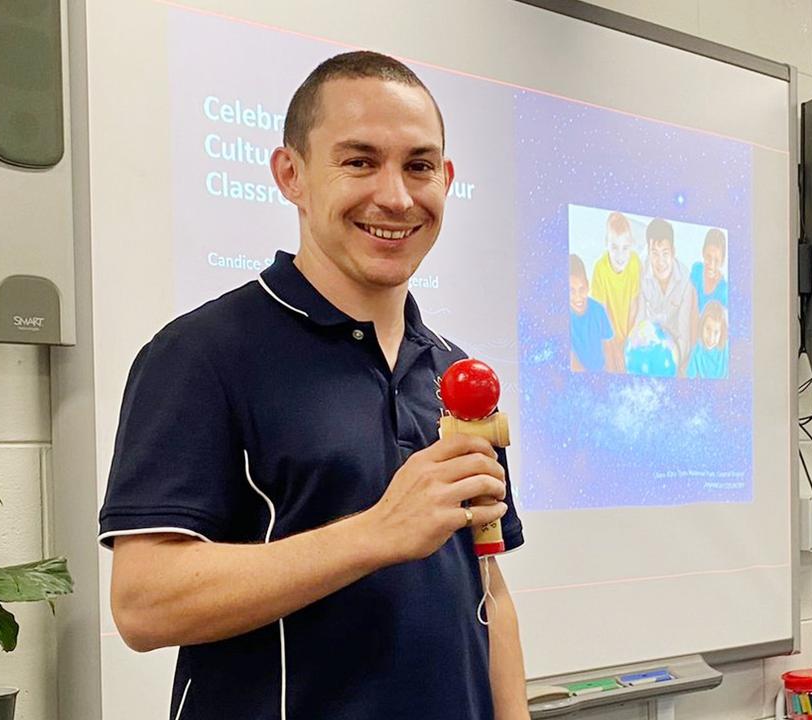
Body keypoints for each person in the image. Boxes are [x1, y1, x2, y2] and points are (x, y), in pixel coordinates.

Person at [98, 51, 528, 720]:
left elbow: (488, 589)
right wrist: (375, 533)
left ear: (445, 179)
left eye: (418, 166)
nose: (395, 195)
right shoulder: (202, 355)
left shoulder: (456, 375)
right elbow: (142, 603)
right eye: (359, 161)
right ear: (290, 175)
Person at [635, 218, 696, 374]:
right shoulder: (640, 273)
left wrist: (672, 365)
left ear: (673, 252)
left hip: (674, 344)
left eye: (665, 253)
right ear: (648, 251)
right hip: (651, 339)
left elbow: (684, 334)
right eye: (654, 253)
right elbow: (639, 324)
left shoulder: (685, 280)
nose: (660, 261)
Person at [589, 211, 641, 368]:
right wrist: (614, 344)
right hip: (607, 332)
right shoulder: (600, 269)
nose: (620, 255)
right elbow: (602, 313)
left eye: (625, 248)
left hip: (628, 332)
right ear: (606, 244)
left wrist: (628, 339)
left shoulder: (634, 262)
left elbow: (634, 305)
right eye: (614, 247)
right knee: (611, 365)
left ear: (631, 245)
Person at [570, 254, 616, 372]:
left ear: (587, 285)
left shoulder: (598, 310)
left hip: (602, 373)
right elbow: (573, 363)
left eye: (582, 289)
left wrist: (610, 376)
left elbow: (608, 348)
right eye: (571, 291)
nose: (578, 297)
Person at [687, 301, 729, 379]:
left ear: (722, 333)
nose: (711, 338)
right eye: (708, 329)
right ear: (702, 325)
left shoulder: (727, 351)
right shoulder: (696, 352)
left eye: (716, 332)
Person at [690, 228, 728, 313]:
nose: (711, 265)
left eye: (717, 260)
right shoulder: (697, 270)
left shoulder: (724, 292)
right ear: (703, 252)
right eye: (708, 257)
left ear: (722, 261)